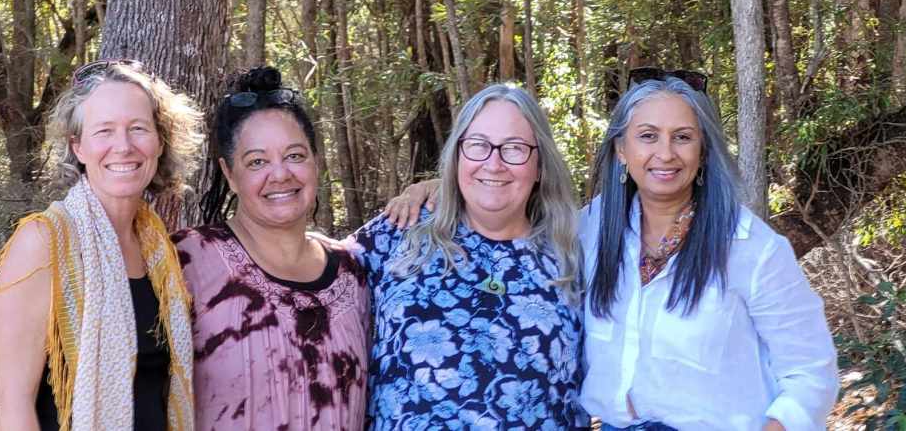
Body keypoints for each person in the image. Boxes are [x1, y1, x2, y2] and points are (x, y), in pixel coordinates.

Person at [580, 68, 839, 430]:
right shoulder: (588, 230)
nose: (665, 153)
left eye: (682, 137)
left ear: (703, 151)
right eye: (648, 136)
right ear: (621, 149)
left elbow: (811, 372)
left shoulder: (752, 248)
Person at [350, 83, 588, 430]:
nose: (494, 164)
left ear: (540, 166)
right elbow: (308, 276)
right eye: (478, 145)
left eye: (515, 148)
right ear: (457, 156)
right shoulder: (401, 231)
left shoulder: (576, 255)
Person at [0, 60, 203, 431]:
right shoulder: (43, 243)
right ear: (79, 147)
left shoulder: (158, 249)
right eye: (104, 131)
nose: (123, 146)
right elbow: (11, 407)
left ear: (159, 141)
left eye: (138, 128)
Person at [172, 66, 369, 430]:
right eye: (257, 162)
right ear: (229, 173)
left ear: (315, 160)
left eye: (295, 156)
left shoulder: (353, 271)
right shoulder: (187, 262)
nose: (280, 175)